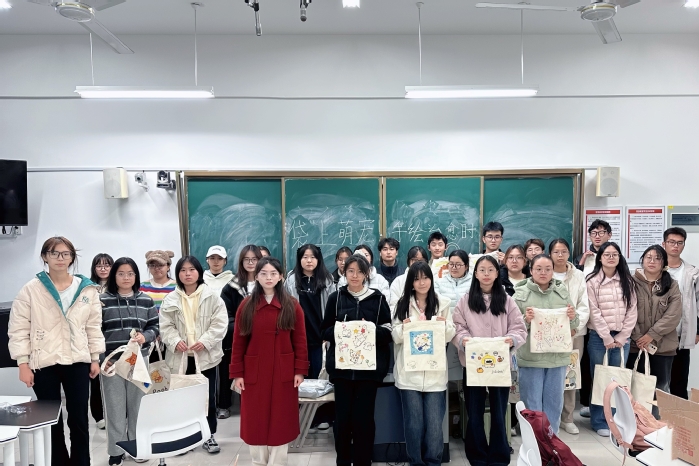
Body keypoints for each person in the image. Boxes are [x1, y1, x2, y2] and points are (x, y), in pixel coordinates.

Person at [8, 236, 105, 466]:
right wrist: (23, 363)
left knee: (79, 418)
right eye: (54, 253)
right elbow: (18, 328)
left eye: (65, 253)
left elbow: (93, 326)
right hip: (44, 361)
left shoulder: (87, 289)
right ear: (45, 257)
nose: (60, 258)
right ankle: (58, 462)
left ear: (72, 257)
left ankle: (81, 462)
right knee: (51, 420)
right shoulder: (31, 289)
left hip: (78, 360)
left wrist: (95, 358)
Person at [231, 257, 309, 466]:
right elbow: (238, 342)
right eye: (263, 273)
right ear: (256, 276)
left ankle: (277, 462)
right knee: (255, 419)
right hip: (254, 372)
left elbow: (300, 341)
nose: (268, 278)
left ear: (281, 276)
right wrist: (237, 373)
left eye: (273, 273)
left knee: (280, 420)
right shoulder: (246, 306)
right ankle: (258, 462)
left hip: (284, 372)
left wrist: (299, 370)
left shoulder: (291, 305)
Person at [453, 255, 528, 466]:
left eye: (491, 270)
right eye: (482, 270)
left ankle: (499, 454)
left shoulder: (506, 299)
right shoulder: (465, 300)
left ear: (497, 273)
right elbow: (457, 326)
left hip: (499, 365)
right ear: (475, 274)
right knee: (474, 411)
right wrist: (462, 339)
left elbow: (519, 327)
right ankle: (477, 454)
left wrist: (512, 339)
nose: (486, 274)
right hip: (473, 364)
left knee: (499, 411)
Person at [321, 255, 392, 466]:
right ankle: (343, 460)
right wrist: (344, 330)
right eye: (350, 271)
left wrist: (369, 329)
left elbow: (388, 332)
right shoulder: (335, 298)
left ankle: (363, 461)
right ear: (344, 272)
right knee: (342, 420)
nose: (354, 275)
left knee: (364, 420)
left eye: (359, 271)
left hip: (368, 373)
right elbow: (324, 331)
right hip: (342, 372)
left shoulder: (378, 299)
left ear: (366, 274)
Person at [159, 255, 227, 454]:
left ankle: (209, 435)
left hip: (205, 358)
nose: (187, 274)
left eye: (191, 270)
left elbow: (220, 323)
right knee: (181, 399)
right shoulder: (170, 299)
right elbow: (165, 326)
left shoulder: (212, 296)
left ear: (199, 272)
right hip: (179, 358)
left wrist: (205, 341)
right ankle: (184, 438)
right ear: (177, 274)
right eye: (182, 270)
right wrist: (174, 341)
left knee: (207, 399)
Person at [392, 262, 454, 466]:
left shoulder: (443, 303)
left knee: (435, 424)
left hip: (435, 373)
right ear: (411, 282)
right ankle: (415, 461)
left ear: (431, 279)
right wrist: (404, 328)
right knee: (414, 423)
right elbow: (395, 335)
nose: (421, 282)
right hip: (409, 374)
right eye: (417, 278)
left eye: (425, 277)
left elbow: (450, 334)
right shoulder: (402, 304)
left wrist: (444, 326)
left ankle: (433, 461)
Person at [99, 257, 159, 466]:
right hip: (112, 362)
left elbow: (155, 326)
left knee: (138, 406)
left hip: (138, 360)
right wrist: (102, 359)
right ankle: (116, 451)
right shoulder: (102, 301)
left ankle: (136, 446)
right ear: (114, 276)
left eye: (130, 274)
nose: (126, 278)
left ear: (136, 276)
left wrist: (146, 336)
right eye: (121, 273)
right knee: (114, 407)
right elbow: (95, 332)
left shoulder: (146, 300)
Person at [514, 254, 578, 435]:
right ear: (531, 270)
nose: (543, 273)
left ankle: (551, 442)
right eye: (538, 269)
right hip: (531, 358)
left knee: (554, 403)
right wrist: (526, 320)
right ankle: (534, 443)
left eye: (548, 269)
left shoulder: (562, 292)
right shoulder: (520, 294)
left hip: (557, 358)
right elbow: (512, 327)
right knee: (532, 405)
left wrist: (572, 317)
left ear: (553, 271)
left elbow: (574, 326)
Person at [585, 241, 637, 437]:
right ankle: (599, 420)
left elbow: (632, 310)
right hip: (599, 338)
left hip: (622, 338)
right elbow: (593, 311)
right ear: (600, 258)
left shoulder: (627, 280)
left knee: (618, 380)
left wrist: (623, 336)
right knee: (601, 379)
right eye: (607, 254)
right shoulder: (592, 281)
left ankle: (615, 420)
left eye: (615, 254)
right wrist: (606, 337)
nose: (611, 257)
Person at [628, 245, 682, 417]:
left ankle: (658, 422)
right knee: (635, 386)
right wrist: (638, 337)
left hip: (663, 346)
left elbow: (674, 314)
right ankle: (636, 422)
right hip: (636, 346)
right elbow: (627, 311)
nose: (652, 261)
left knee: (661, 387)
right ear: (642, 260)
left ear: (664, 263)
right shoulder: (630, 282)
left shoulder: (671, 284)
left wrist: (651, 335)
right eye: (648, 257)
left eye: (657, 258)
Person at [549, 239, 590, 435]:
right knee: (549, 375)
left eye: (564, 251)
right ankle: (549, 417)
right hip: (548, 333)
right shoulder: (544, 271)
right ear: (550, 254)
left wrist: (575, 327)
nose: (560, 255)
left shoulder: (578, 276)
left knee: (570, 374)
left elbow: (584, 305)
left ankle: (567, 418)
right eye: (556, 252)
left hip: (574, 334)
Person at [218, 244, 262, 419]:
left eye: (254, 259)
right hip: (237, 336)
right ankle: (224, 405)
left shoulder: (267, 283)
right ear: (241, 262)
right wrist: (242, 328)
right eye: (246, 259)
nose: (250, 263)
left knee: (256, 375)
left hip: (261, 339)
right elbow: (225, 316)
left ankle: (253, 407)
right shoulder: (231, 287)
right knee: (230, 370)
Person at [284, 244, 336, 379]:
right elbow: (285, 308)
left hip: (320, 338)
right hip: (299, 337)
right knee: (300, 376)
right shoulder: (291, 280)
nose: (309, 261)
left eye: (313, 257)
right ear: (299, 259)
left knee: (319, 376)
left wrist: (328, 331)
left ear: (318, 259)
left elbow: (332, 309)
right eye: (305, 257)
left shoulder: (327, 280)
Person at [663, 227, 699, 399]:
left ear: (684, 245)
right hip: (657, 334)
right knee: (657, 379)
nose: (675, 246)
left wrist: (697, 331)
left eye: (679, 243)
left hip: (681, 333)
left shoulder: (692, 272)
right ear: (664, 244)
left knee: (679, 379)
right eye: (671, 242)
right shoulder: (654, 269)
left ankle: (679, 414)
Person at [89, 252, 114, 430]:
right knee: (96, 377)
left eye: (107, 265)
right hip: (93, 337)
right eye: (99, 265)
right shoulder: (88, 288)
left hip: (112, 336)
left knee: (114, 376)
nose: (103, 268)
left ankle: (115, 413)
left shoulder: (117, 286)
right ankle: (98, 415)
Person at [390, 245, 429, 312]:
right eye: (415, 260)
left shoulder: (431, 279)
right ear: (408, 261)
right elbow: (393, 306)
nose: (418, 263)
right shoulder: (398, 281)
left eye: (422, 260)